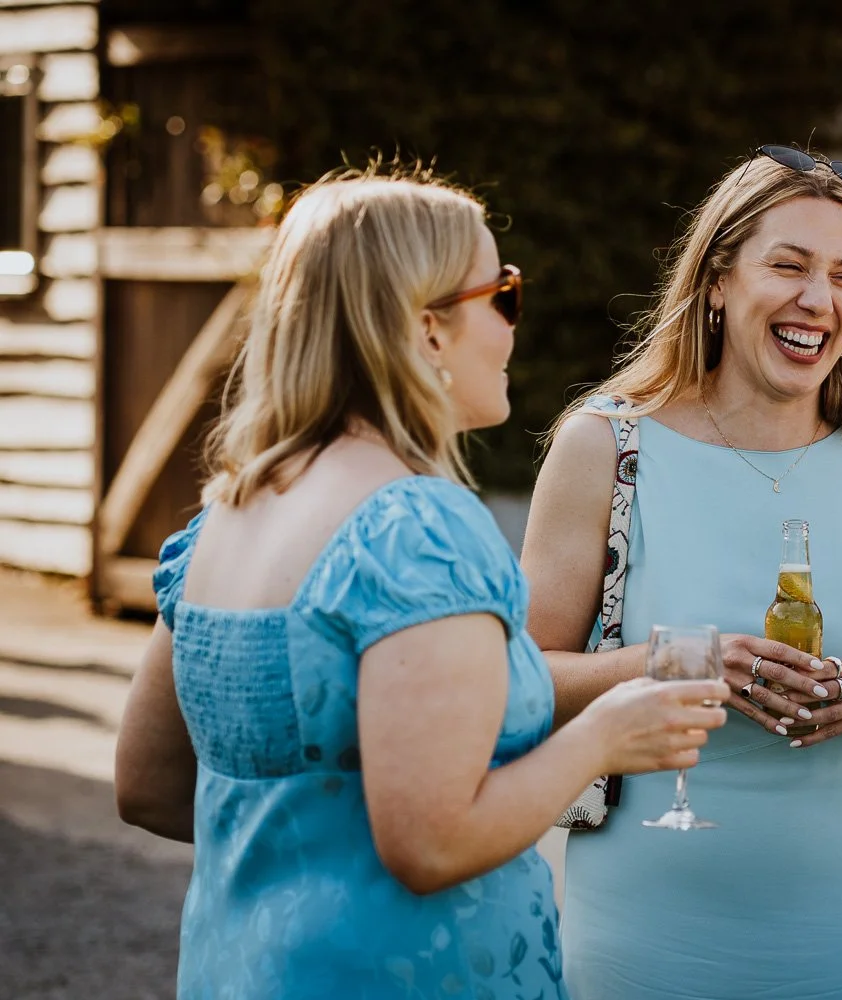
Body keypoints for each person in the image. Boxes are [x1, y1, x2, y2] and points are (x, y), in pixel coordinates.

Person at [113, 168, 728, 999]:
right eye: (502, 294)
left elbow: (148, 787)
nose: (515, 323)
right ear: (428, 331)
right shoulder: (415, 529)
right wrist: (605, 738)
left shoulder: (225, 517)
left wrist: (311, 858)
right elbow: (432, 845)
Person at [520, 146, 842, 1000]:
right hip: (641, 927)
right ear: (719, 281)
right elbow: (521, 680)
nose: (819, 299)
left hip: (838, 928)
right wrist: (677, 662)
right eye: (790, 265)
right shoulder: (605, 446)